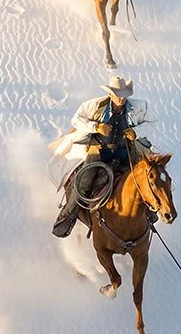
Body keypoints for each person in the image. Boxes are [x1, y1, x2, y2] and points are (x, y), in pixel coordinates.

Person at [50, 75, 151, 238]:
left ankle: (150, 214)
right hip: (99, 149)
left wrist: (137, 133)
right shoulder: (94, 106)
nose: (121, 99)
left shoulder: (138, 107)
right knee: (85, 180)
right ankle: (67, 217)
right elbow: (76, 120)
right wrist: (96, 126)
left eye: (124, 96)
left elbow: (153, 125)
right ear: (110, 95)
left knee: (144, 178)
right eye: (118, 95)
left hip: (124, 150)